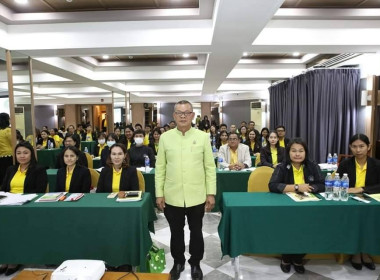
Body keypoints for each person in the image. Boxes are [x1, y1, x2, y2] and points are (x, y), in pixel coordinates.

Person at [155, 100, 216, 280]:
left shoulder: (203, 137)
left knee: (196, 232)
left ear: (192, 115)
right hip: (172, 195)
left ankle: (195, 263)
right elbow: (160, 168)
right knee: (176, 232)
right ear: (174, 116)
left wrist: (210, 193)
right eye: (179, 113)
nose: (183, 116)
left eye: (186, 112)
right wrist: (160, 193)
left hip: (196, 195)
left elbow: (209, 168)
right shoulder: (165, 137)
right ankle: (178, 261)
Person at [268, 138, 324, 274]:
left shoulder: (312, 166)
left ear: (306, 152)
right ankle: (286, 258)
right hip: (287, 207)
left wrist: (311, 188)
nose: (297, 154)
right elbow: (273, 185)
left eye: (301, 151)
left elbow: (322, 184)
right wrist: (297, 187)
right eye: (294, 151)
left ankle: (298, 258)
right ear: (288, 152)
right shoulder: (282, 166)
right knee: (289, 229)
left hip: (308, 207)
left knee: (307, 229)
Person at [1, 142, 48, 276]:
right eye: (19, 153)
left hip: (27, 205)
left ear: (31, 154)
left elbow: (39, 190)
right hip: (8, 204)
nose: (22, 156)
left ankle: (15, 259)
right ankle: (5, 258)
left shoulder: (39, 169)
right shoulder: (11, 169)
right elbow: (4, 188)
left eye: (25, 153)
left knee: (14, 226)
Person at [337, 133, 380, 271]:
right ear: (350, 147)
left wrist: (361, 189)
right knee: (355, 220)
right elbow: (338, 183)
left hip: (371, 200)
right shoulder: (345, 164)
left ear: (369, 147)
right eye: (354, 147)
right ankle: (356, 253)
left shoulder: (377, 164)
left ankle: (366, 252)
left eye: (362, 146)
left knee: (369, 221)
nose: (358, 150)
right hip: (350, 202)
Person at [0, 113, 13, 188]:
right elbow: (13, 143)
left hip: (1, 156)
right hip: (9, 156)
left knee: (2, 177)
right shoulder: (8, 130)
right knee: (8, 177)